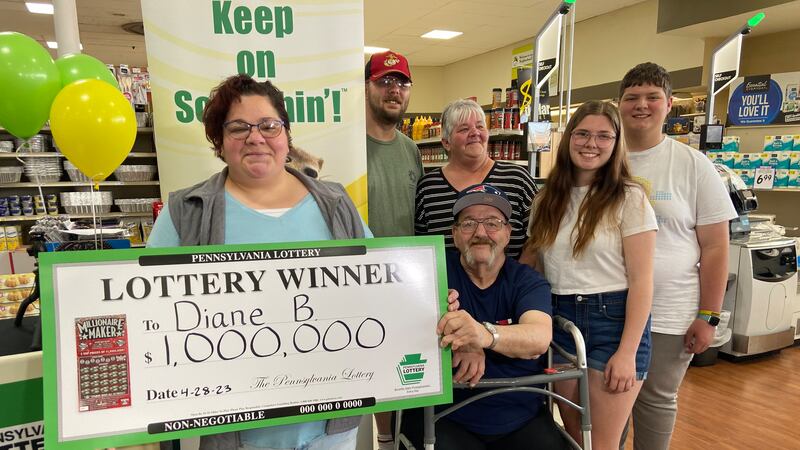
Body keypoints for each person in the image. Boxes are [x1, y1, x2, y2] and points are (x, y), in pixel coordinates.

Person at [147, 73, 370, 450]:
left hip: (329, 433)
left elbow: (379, 285)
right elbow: (148, 316)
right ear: (219, 141)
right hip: (238, 435)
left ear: (286, 135)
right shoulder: (185, 212)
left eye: (269, 125)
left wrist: (428, 300)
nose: (255, 137)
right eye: (237, 128)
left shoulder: (334, 202)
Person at [521, 100, 658, 449]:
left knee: (601, 444)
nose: (590, 144)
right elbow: (531, 263)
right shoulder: (546, 199)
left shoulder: (630, 198)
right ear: (568, 138)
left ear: (616, 144)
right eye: (582, 134)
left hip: (612, 323)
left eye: (603, 136)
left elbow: (643, 282)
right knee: (573, 436)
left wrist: (627, 353)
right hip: (559, 321)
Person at [617, 63, 737, 450]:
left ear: (669, 104)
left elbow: (717, 247)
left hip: (669, 313)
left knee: (655, 401)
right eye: (632, 97)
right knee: (607, 400)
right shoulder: (602, 158)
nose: (642, 105)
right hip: (607, 307)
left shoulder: (693, 165)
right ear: (618, 105)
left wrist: (709, 316)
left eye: (652, 97)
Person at [402, 184, 570, 450]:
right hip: (445, 415)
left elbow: (538, 337)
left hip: (520, 414)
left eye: (492, 223)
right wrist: (460, 338)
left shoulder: (526, 281)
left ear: (508, 233)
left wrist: (482, 335)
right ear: (454, 234)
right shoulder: (429, 271)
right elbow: (402, 324)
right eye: (468, 223)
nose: (481, 233)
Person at [415, 99, 536, 259]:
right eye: (464, 129)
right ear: (446, 142)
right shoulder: (427, 188)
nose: (475, 133)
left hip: (513, 283)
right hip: (448, 284)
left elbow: (539, 238)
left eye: (480, 126)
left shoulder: (518, 179)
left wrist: (518, 279)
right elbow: (422, 247)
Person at [365, 50, 423, 237]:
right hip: (360, 264)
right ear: (365, 89)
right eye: (385, 82)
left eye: (402, 83)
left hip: (405, 264)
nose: (395, 90)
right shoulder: (348, 147)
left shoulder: (411, 149)